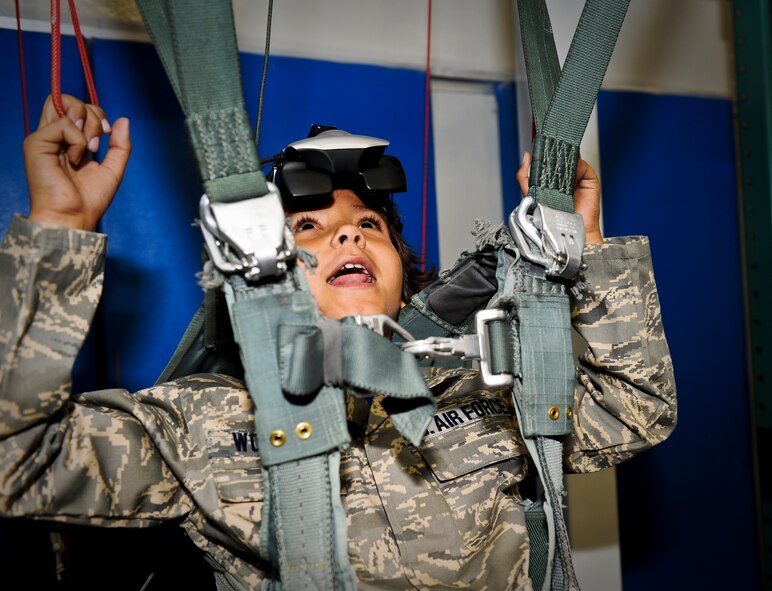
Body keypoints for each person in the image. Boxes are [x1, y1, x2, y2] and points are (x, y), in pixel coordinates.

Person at [0, 95, 676, 590]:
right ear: (257, 277)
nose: (348, 235)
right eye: (310, 229)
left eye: (367, 225)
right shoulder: (202, 421)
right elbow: (20, 461)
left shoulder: (482, 379)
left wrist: (587, 246)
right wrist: (58, 227)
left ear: (402, 278)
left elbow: (634, 407)